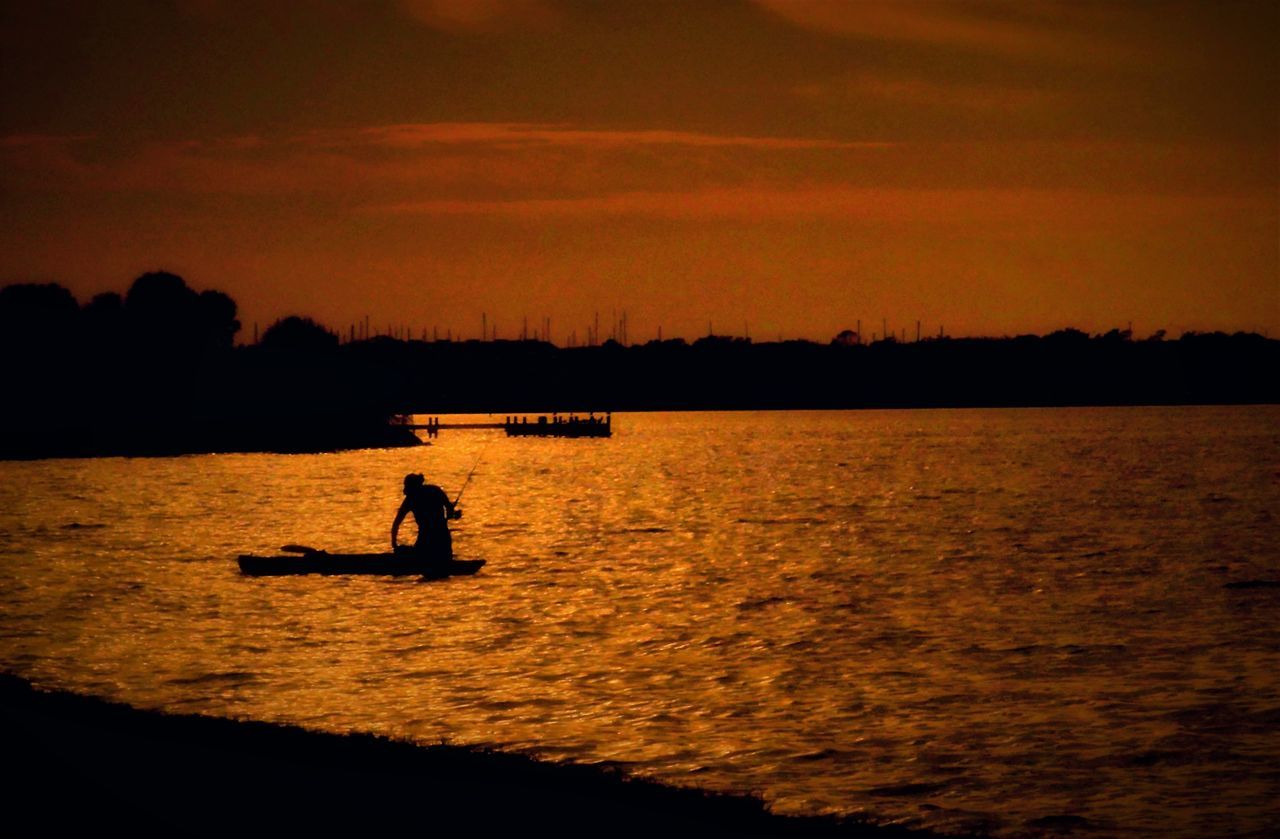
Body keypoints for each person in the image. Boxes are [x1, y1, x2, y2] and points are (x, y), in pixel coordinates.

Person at [391, 473, 460, 563]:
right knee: (442, 559)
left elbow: (396, 523)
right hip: (443, 536)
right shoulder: (436, 490)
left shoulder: (410, 499)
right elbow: (450, 513)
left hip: (426, 538)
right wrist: (454, 514)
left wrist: (394, 544)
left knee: (411, 555)